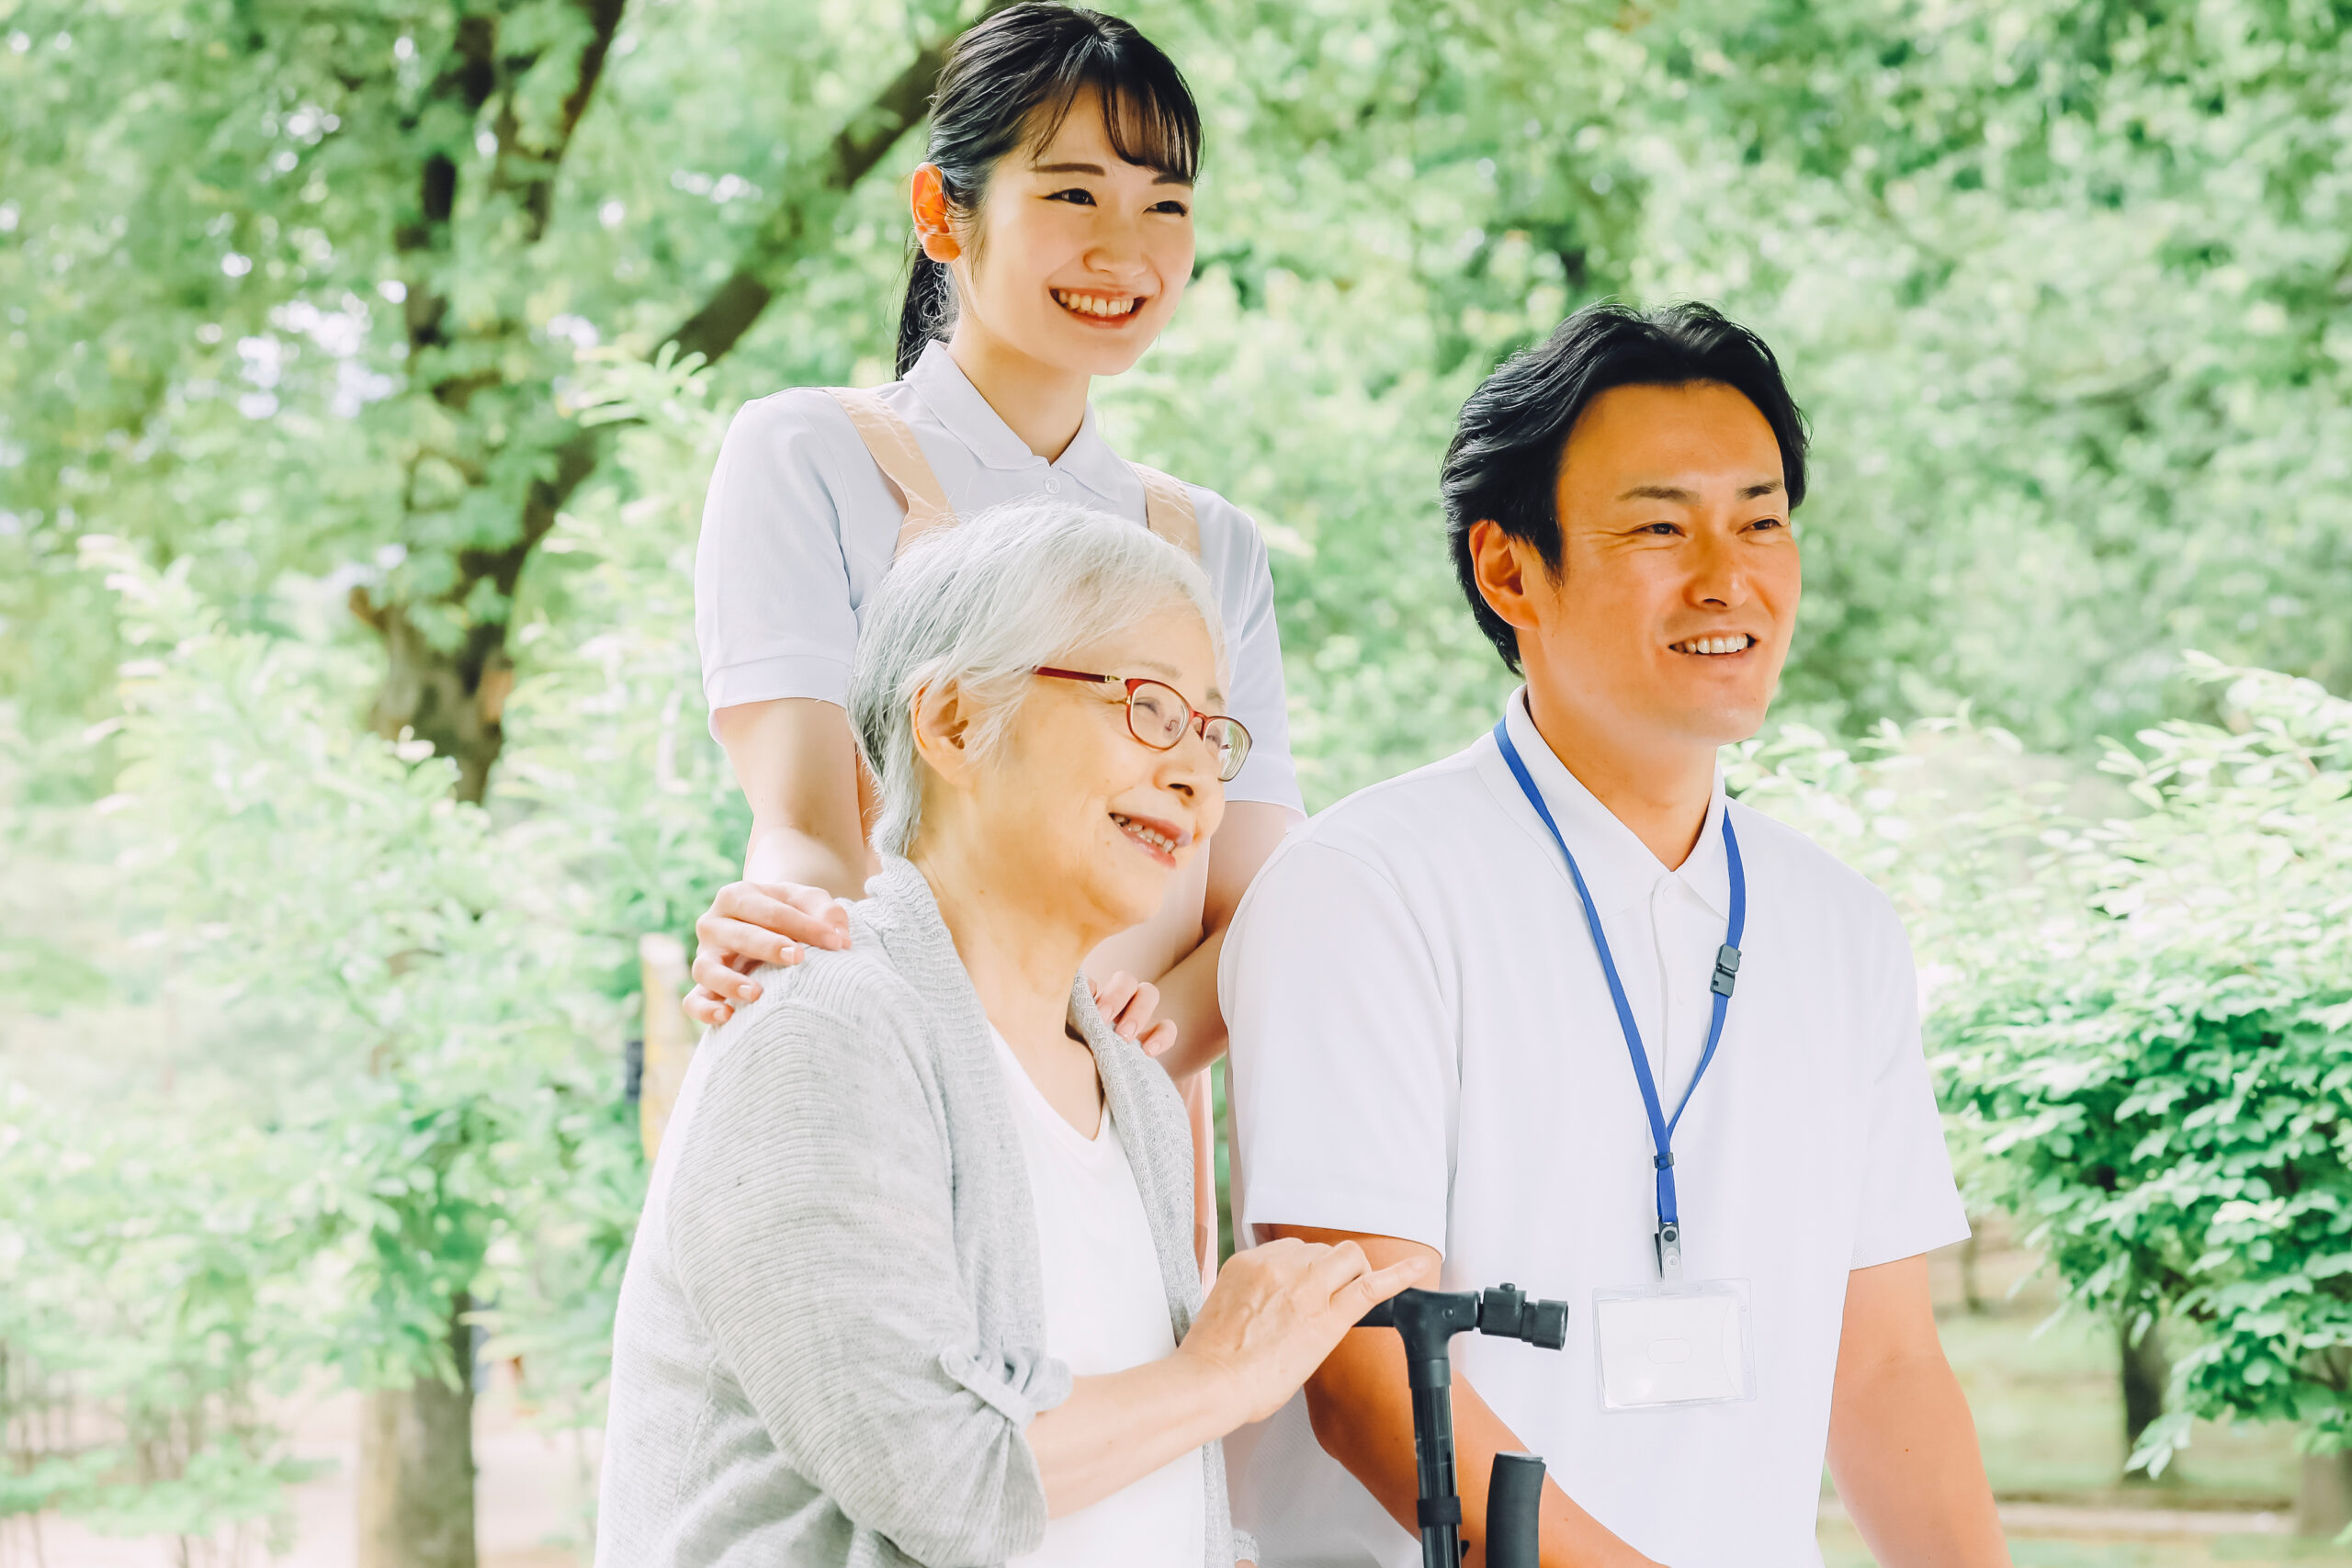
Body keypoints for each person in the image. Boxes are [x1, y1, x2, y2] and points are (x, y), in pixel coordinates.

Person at [1221, 304, 2011, 1567]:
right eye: (1661, 525)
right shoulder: (1365, 889)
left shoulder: (1842, 927)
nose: (1729, 573)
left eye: (1761, 519)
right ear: (1509, 569)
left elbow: (1887, 1365)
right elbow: (1363, 1369)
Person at [598, 502, 1421, 1567]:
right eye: (1147, 707)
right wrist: (1224, 1372)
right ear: (949, 722)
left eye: (1211, 732)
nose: (1198, 777)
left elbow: (1143, 1473)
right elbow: (942, 1480)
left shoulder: (1127, 1080)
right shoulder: (821, 1030)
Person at [684, 2, 1305, 1280]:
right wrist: (786, 950)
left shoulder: (1213, 543)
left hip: (1119, 1131)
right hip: (889, 1100)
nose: (1123, 249)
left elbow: (1255, 900)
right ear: (941, 213)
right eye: (1072, 193)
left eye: (1165, 205)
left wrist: (1145, 1037)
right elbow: (808, 824)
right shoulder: (808, 455)